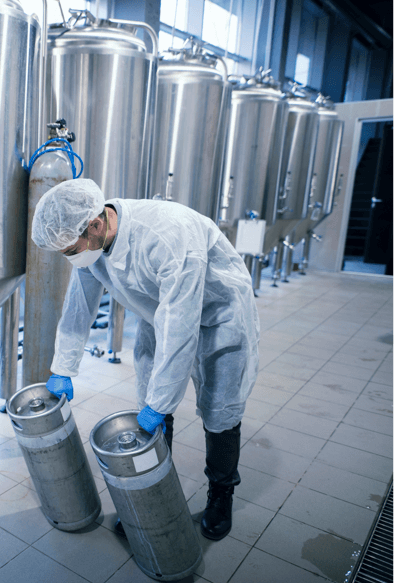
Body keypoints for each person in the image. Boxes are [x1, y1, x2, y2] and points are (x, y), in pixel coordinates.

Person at [31, 178, 259, 541]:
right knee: (152, 406)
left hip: (220, 316)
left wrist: (160, 402)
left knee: (220, 411)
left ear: (96, 224)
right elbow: (78, 306)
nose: (70, 257)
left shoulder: (167, 235)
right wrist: (63, 367)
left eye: (70, 250)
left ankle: (221, 493)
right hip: (159, 313)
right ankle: (157, 494)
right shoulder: (90, 242)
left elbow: (181, 327)